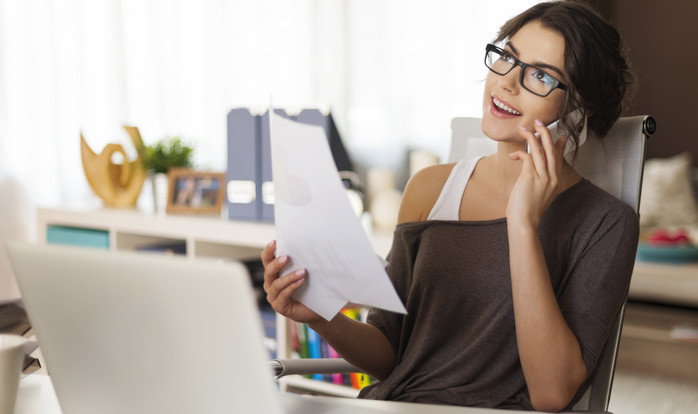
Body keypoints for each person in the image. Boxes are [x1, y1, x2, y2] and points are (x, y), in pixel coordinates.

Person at [262, 1, 638, 411]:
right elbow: (390, 355)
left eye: (541, 76)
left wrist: (522, 224)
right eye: (508, 57)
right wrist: (317, 314)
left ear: (581, 108)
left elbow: (552, 394)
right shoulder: (429, 188)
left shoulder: (607, 222)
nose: (507, 83)